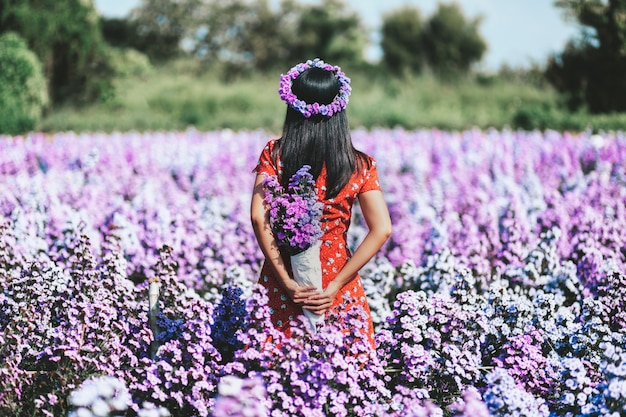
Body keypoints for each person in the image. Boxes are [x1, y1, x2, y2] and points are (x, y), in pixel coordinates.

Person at [250, 58, 391, 346]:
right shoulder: (360, 164)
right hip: (337, 281)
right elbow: (382, 229)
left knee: (276, 371)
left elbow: (258, 217)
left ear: (292, 106)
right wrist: (337, 284)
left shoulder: (275, 155)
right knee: (347, 374)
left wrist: (288, 283)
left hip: (285, 281)